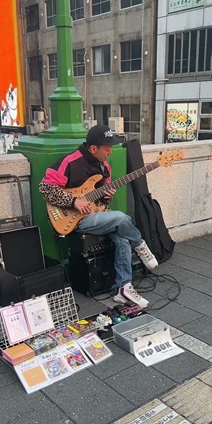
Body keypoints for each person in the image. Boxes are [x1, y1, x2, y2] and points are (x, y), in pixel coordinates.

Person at [39, 124, 158, 308]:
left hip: (95, 214)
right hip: (73, 220)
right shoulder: (70, 162)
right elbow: (45, 188)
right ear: (94, 148)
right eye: (107, 148)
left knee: (121, 238)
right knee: (121, 219)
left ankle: (123, 287)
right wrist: (73, 202)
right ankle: (140, 244)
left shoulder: (105, 168)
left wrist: (105, 197)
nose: (110, 152)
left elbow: (101, 203)